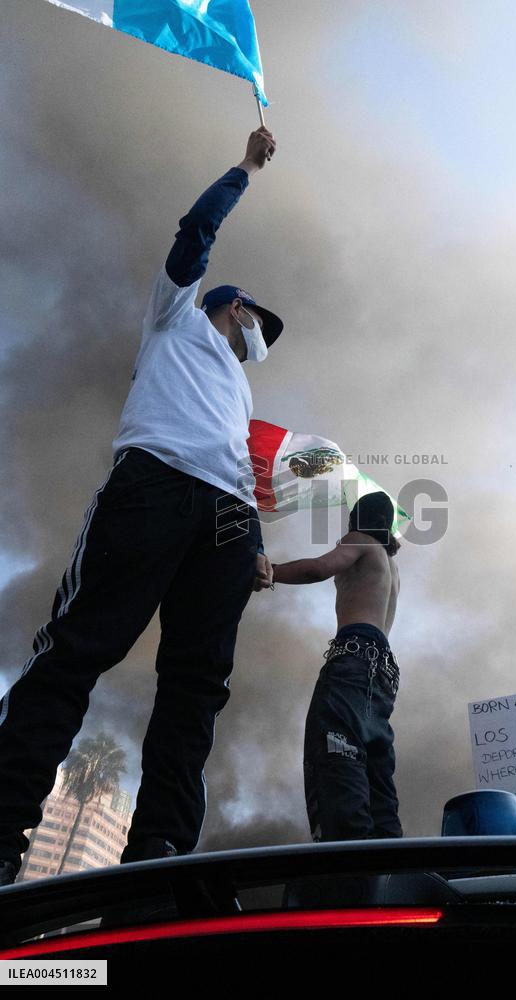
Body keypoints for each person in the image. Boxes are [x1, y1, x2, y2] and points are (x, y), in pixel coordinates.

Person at [0, 127, 280, 886]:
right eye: (258, 319)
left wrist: (252, 542)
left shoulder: (240, 385)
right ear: (235, 307)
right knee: (79, 647)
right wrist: (244, 169)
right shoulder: (176, 316)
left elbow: (239, 458)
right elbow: (196, 233)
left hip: (228, 516)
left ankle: (160, 854)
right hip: (154, 483)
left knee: (198, 686)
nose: (262, 334)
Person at [272, 491, 403, 841]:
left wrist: (271, 570)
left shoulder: (359, 541)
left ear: (358, 519)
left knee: (336, 750)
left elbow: (318, 568)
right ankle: (390, 855)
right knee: (376, 771)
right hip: (383, 672)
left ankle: (348, 853)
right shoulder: (391, 567)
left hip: (353, 658)